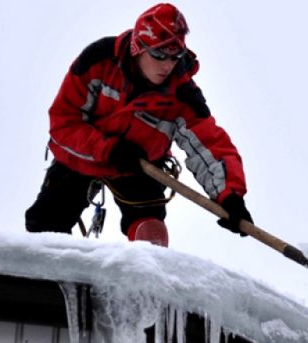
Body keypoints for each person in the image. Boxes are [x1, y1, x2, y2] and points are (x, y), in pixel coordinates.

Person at [25, 3, 253, 247]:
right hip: (82, 155)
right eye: (159, 55)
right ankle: (49, 278)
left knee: (151, 234)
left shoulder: (183, 95)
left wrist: (230, 195)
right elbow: (63, 122)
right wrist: (108, 150)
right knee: (45, 225)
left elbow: (210, 144)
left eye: (175, 57)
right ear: (138, 47)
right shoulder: (98, 60)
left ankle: (141, 279)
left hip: (141, 166)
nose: (167, 65)